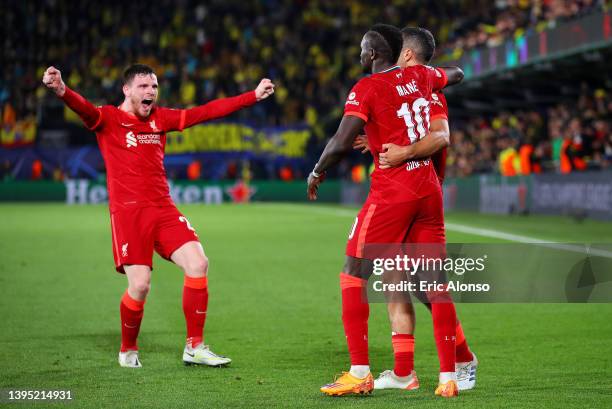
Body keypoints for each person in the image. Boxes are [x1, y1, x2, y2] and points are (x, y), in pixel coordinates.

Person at [42, 64, 274, 368]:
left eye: (154, 86)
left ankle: (195, 346)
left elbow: (205, 112)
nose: (150, 92)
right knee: (140, 285)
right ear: (126, 90)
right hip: (129, 214)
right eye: (143, 86)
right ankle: (128, 349)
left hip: (163, 208)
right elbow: (83, 108)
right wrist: (61, 89)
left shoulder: (160, 118)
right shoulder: (108, 119)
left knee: (198, 263)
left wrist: (252, 96)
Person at [307, 24, 463, 397]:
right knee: (433, 283)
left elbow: (341, 139)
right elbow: (455, 73)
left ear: (373, 54)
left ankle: (359, 371)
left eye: (363, 48)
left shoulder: (367, 87)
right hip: (429, 189)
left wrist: (317, 170)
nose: (360, 54)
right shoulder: (422, 76)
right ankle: (447, 379)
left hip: (394, 190)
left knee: (353, 272)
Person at [353, 27, 478, 393]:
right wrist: (374, 140)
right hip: (402, 197)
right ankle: (403, 372)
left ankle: (464, 357)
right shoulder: (404, 88)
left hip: (421, 197)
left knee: (427, 289)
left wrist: (404, 152)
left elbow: (440, 136)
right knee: (394, 282)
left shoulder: (430, 90)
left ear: (407, 55)